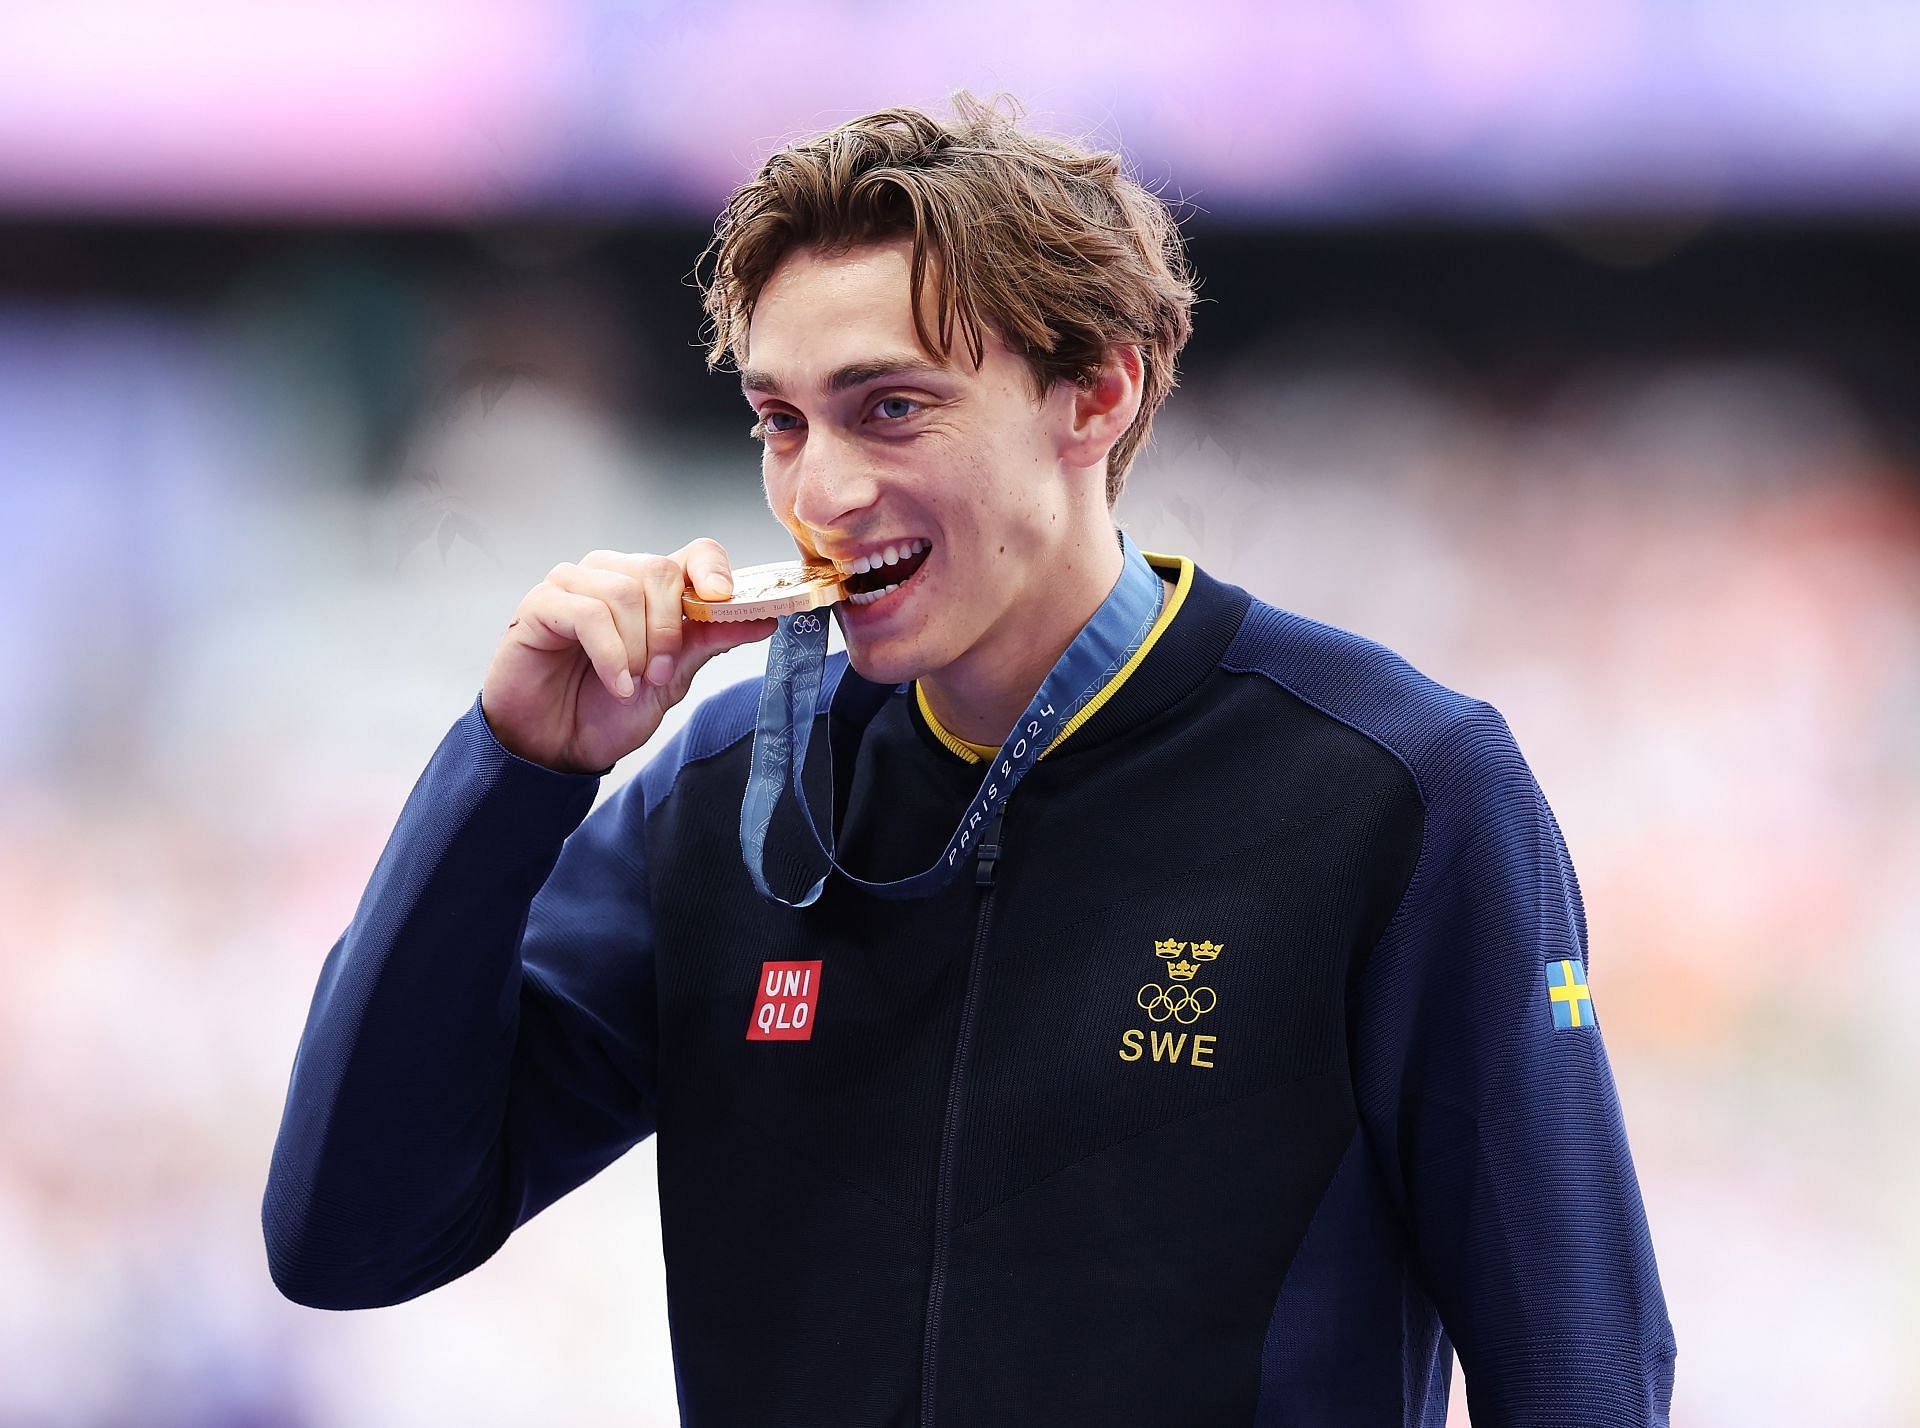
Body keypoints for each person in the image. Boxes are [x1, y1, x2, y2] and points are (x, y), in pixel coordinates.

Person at [263, 93, 1677, 1425]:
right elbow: (349, 1236)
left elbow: (1581, 1374)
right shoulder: (729, 791)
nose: (819, 492)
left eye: (892, 407)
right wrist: (512, 774)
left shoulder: (1394, 785)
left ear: (1097, 395)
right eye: (781, 420)